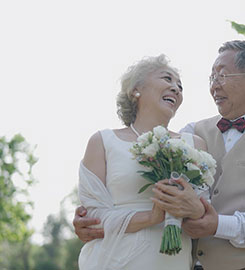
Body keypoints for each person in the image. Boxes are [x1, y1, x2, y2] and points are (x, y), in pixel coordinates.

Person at [74, 40, 245, 270]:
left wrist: (219, 225)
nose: (214, 85)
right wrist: (91, 220)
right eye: (212, 78)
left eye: (222, 76)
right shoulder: (192, 134)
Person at [76, 54, 206, 270]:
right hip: (113, 260)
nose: (176, 88)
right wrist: (151, 217)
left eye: (180, 86)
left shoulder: (195, 145)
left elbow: (204, 213)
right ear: (136, 90)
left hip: (172, 261)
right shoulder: (103, 141)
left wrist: (193, 208)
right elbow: (92, 217)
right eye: (167, 79)